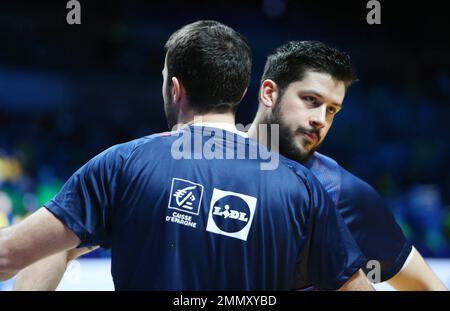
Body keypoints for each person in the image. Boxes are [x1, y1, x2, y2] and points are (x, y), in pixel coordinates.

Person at [1, 21, 372, 290]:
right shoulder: (302, 186)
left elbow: (8, 257)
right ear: (244, 91)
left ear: (175, 89)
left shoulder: (121, 165)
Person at [248, 40, 447, 290]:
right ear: (269, 93)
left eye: (331, 110)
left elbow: (428, 287)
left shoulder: (343, 191)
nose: (321, 120)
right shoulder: (205, 164)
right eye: (311, 99)